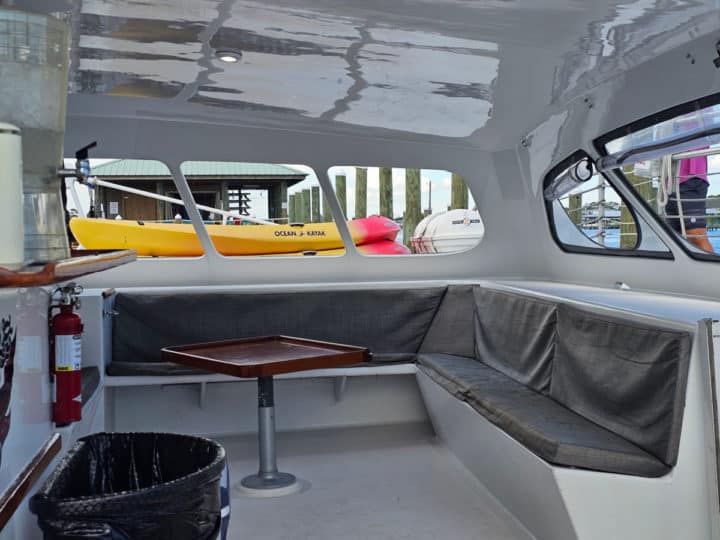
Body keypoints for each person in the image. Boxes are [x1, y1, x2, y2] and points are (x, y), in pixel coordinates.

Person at [665, 152, 714, 252]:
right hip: (668, 181)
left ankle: (711, 268)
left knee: (696, 236)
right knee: (673, 239)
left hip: (691, 176)